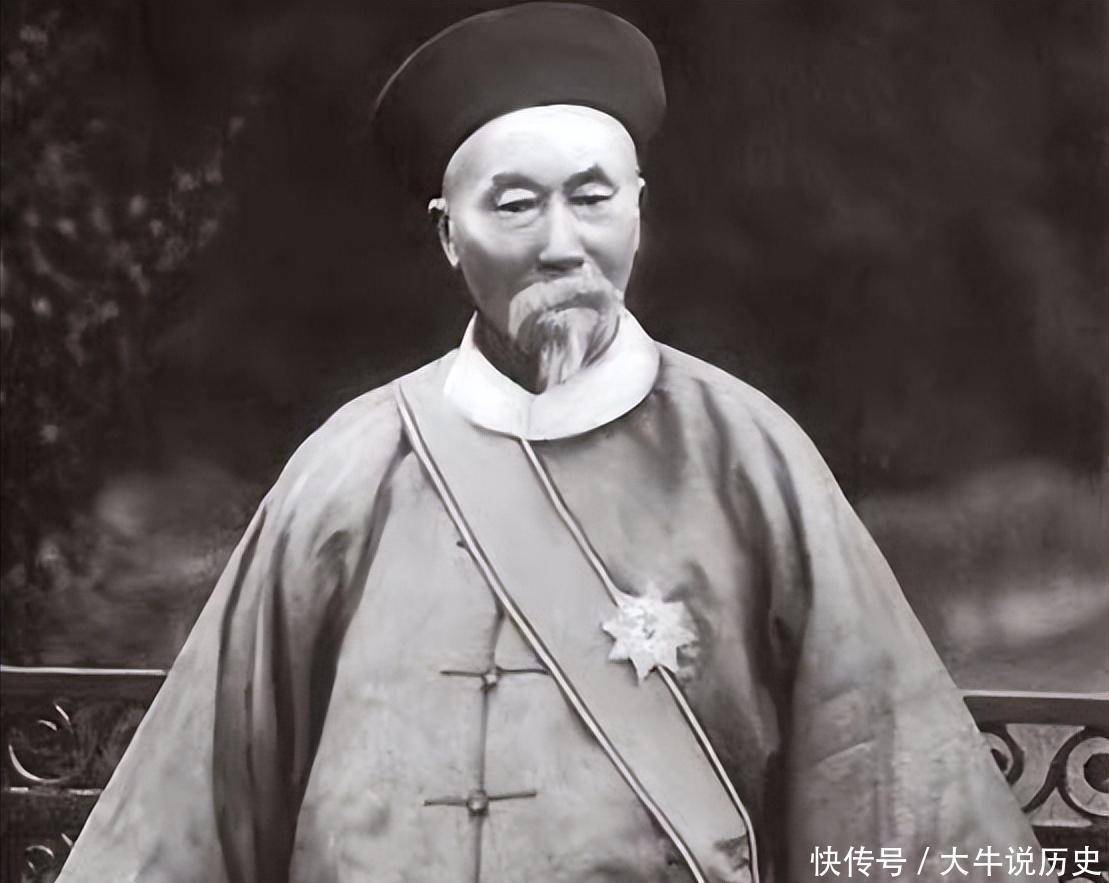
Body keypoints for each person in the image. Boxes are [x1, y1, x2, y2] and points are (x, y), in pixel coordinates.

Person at [58, 4, 1043, 882]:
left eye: (592, 196)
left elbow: (885, 776)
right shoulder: (346, 471)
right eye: (515, 204)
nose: (561, 243)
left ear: (638, 210)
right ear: (448, 235)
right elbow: (193, 803)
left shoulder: (749, 457)